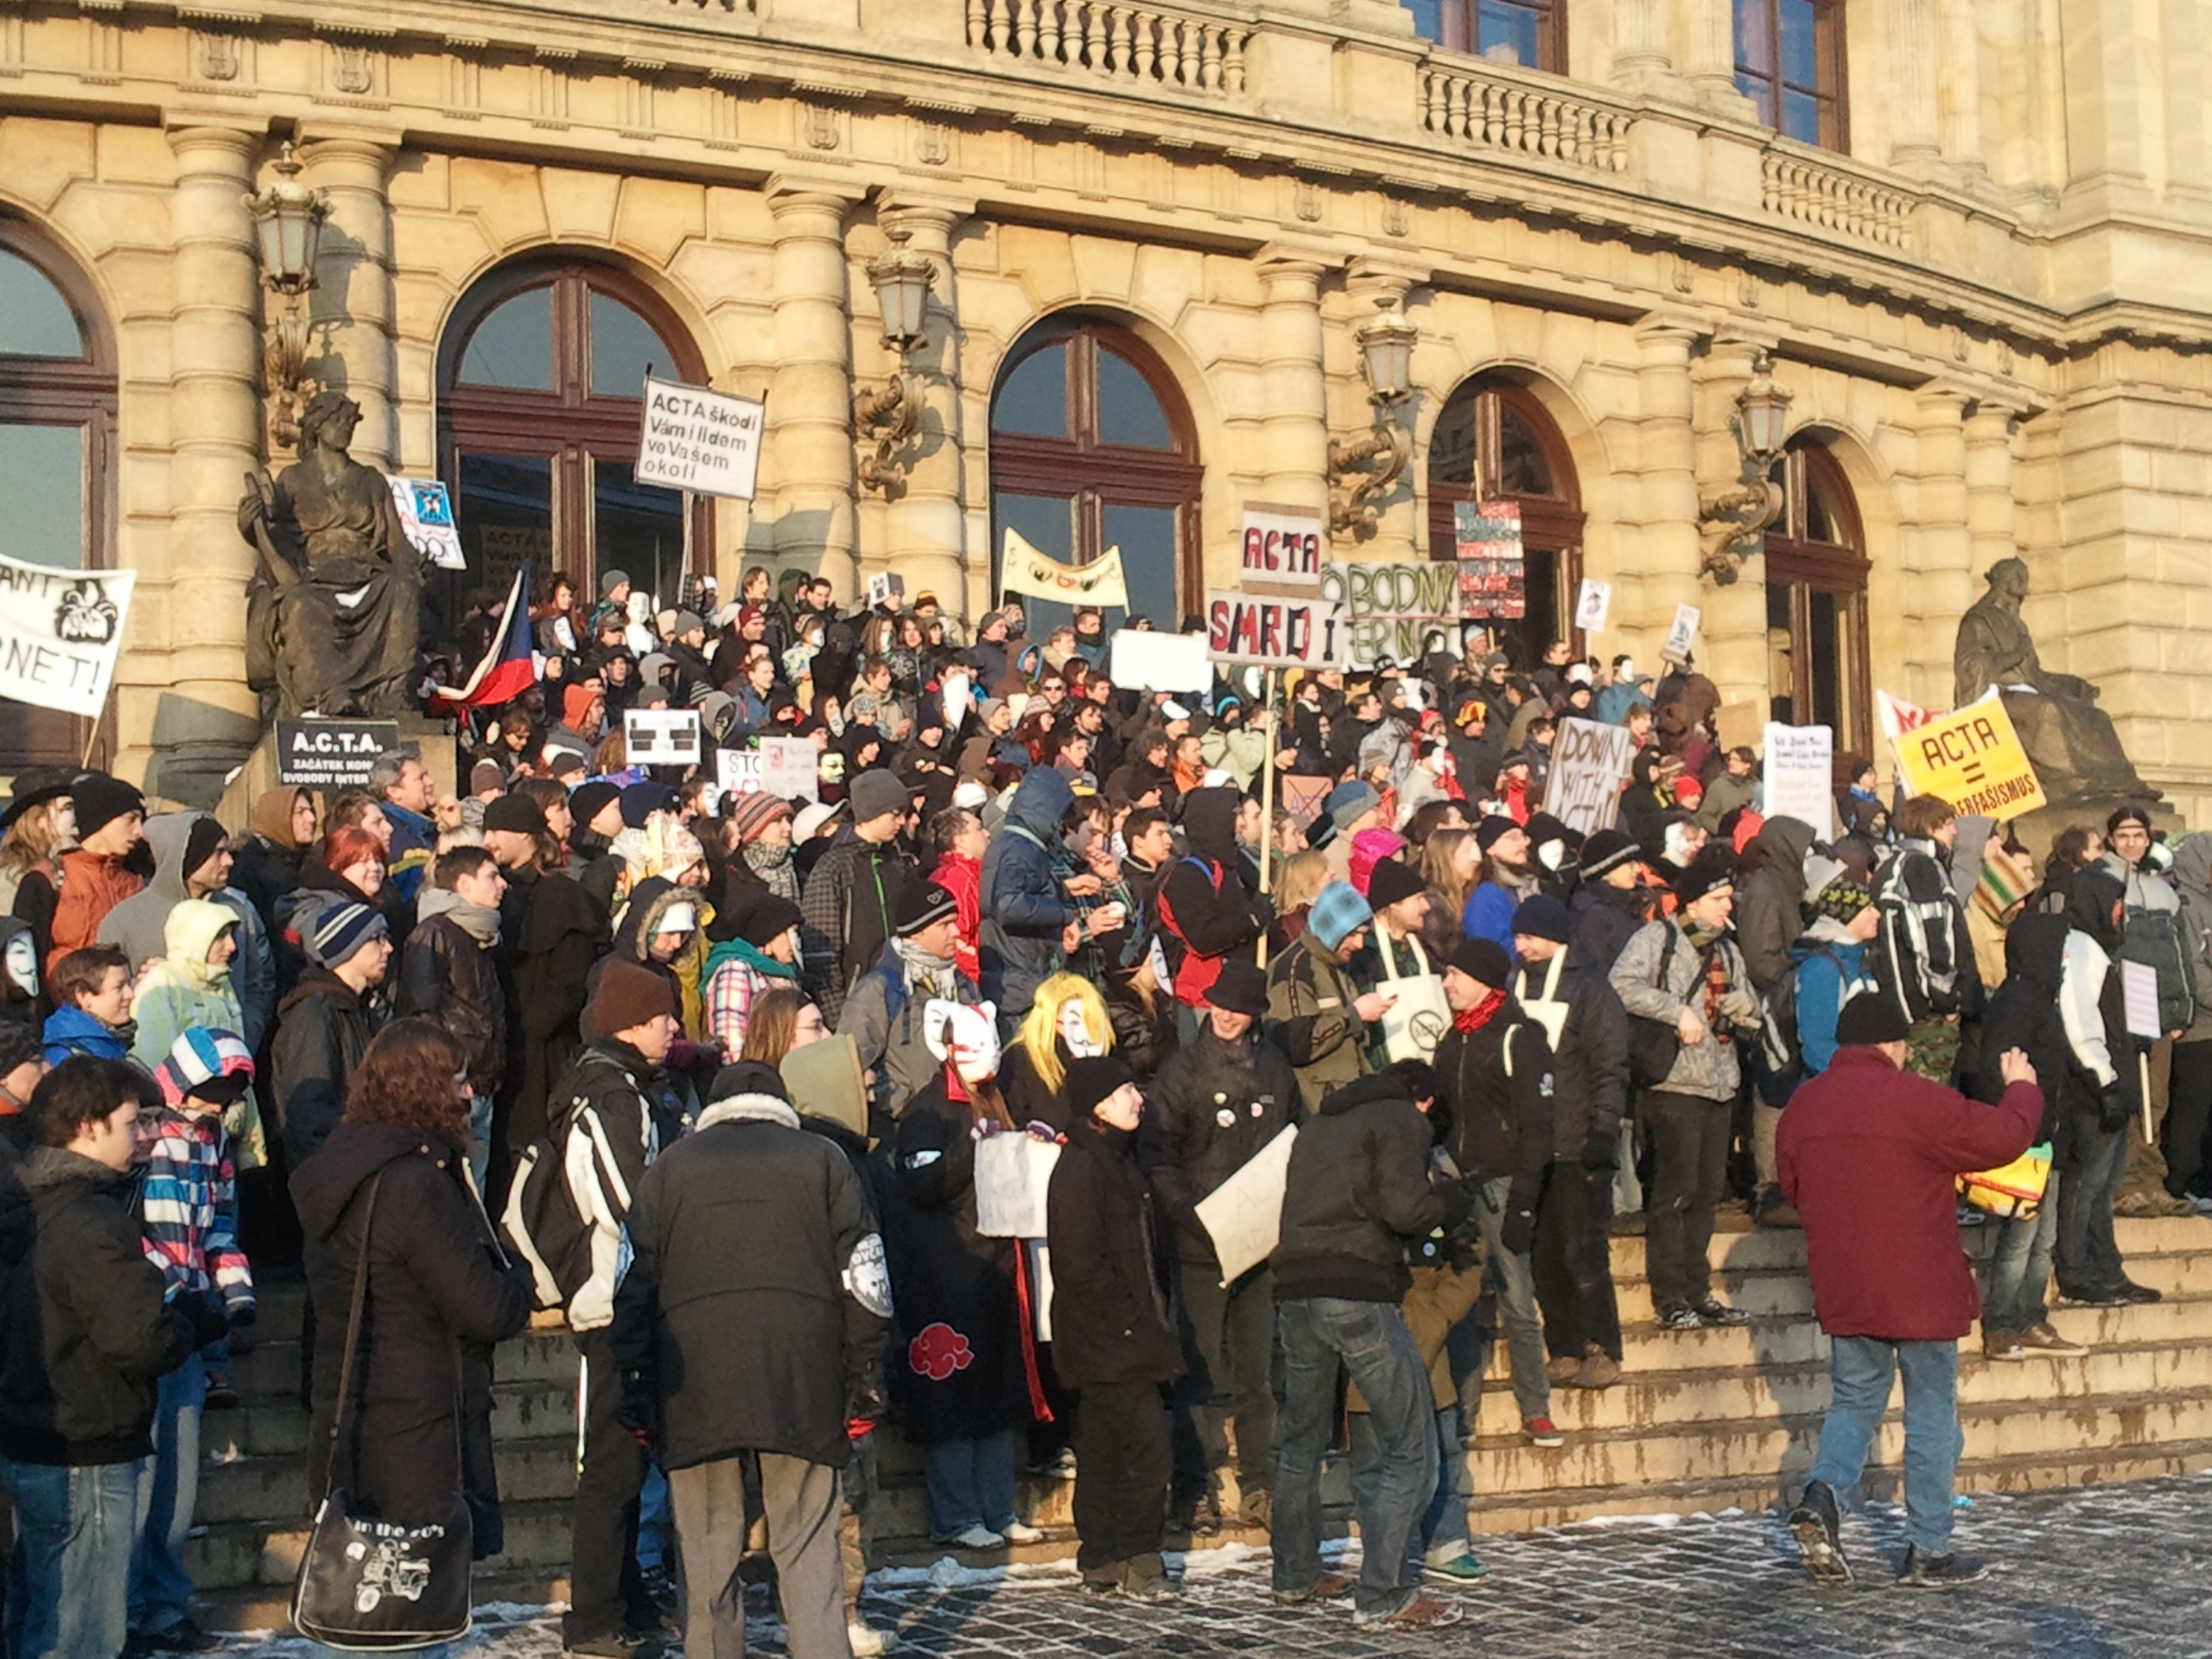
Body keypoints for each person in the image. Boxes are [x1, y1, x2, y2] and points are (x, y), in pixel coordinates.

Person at [609, 1058, 889, 1659]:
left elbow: (631, 1284)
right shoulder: (823, 1161)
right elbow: (867, 1279)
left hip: (695, 1381)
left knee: (707, 1554)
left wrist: (633, 1381)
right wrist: (866, 1373)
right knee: (808, 1542)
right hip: (803, 1371)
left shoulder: (669, 1169)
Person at [1782, 999, 2043, 1588]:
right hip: (1921, 1282)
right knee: (1930, 1413)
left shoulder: (1804, 1105)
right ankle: (1927, 1549)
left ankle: (1822, 1497)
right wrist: (2022, 1090)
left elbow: (1793, 1186)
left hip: (1846, 1282)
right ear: (1895, 1047)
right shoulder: (1916, 1099)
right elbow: (2002, 1139)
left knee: (1853, 1401)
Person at [289, 1021, 532, 1626]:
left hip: (350, 1417)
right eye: (456, 1079)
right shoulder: (414, 1186)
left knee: (369, 1623)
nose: (468, 1094)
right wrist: (520, 1277)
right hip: (419, 1432)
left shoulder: (339, 1173)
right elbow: (486, 1307)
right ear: (424, 1089)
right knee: (412, 1621)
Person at [0, 1058, 226, 1659]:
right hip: (87, 1444)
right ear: (87, 1126)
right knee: (80, 1633)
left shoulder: (30, 1201)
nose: (143, 1136)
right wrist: (189, 1323)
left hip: (34, 1434)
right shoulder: (90, 1220)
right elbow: (139, 1338)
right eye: (132, 1122)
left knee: (36, 1615)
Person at [1270, 1068, 1466, 1629]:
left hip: (1295, 1291)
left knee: (1300, 1443)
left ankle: (1294, 1575)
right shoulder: (1401, 1118)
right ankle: (1382, 1593)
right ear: (1423, 1101)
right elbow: (1407, 1212)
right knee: (1411, 1445)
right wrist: (1449, 1203)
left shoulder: (1316, 1124)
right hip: (1356, 1291)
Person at [875, 1000, 1045, 1550]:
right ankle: (956, 1513)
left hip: (997, 1265)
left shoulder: (996, 1100)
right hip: (946, 1275)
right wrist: (968, 1155)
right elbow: (920, 1186)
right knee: (951, 1395)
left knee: (997, 1389)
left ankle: (997, 1506)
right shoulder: (927, 1113)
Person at [1141, 957, 1299, 1535]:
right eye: (1219, 1004)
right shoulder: (1181, 1073)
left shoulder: (1276, 1069)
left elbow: (1291, 1138)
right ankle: (1192, 1484)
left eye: (1238, 1007)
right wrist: (1190, 1213)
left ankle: (1261, 1483)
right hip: (1200, 1245)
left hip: (1260, 1247)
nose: (1227, 1016)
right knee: (1196, 1372)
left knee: (1258, 1373)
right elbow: (1157, 1155)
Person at [132, 1029, 260, 1656]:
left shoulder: (214, 1142)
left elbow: (221, 1222)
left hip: (187, 1325)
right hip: (144, 1320)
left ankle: (162, 1606)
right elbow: (131, 1230)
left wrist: (233, 1290)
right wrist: (164, 1294)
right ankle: (127, 1608)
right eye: (213, 1093)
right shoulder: (144, 1135)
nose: (219, 1106)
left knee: (176, 1487)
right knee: (138, 1479)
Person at [1046, 1053, 1182, 1602]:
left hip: (1120, 1336)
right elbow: (1081, 1266)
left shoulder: (1121, 1160)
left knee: (1104, 1449)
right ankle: (1138, 1558)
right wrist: (1129, 1323)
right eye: (1126, 1091)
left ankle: (1103, 1557)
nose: (1138, 1099)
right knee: (1145, 1448)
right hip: (1107, 1340)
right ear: (1099, 1105)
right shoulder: (1080, 1168)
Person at [1609, 858, 1761, 1330]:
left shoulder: (1728, 949)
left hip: (1720, 1083)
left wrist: (1744, 1004)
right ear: (1693, 900)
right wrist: (1677, 1011)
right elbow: (1620, 985)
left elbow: (1751, 999)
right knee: (1673, 1191)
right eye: (1718, 899)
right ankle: (1670, 1294)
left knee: (1706, 1193)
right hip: (1673, 1082)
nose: (1726, 906)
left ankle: (1699, 1290)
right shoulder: (1658, 940)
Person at [1433, 938, 1560, 1446]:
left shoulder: (1520, 1037)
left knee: (1517, 1298)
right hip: (1456, 1181)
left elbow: (1539, 1124)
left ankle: (1536, 1406)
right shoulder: (1452, 1037)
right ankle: (1461, 1409)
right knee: (1460, 1299)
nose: (1446, 984)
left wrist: (1525, 1198)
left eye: (1455, 976)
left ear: (1483, 980)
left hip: (1504, 1182)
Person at [1512, 897, 1630, 1392]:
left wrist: (1603, 1129)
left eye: (1531, 937)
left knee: (1584, 1252)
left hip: (1579, 1142)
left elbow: (1609, 1065)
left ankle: (1602, 1346)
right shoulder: (1513, 987)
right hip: (1530, 1146)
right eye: (1518, 938)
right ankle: (1561, 1345)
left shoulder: (1590, 989)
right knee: (1542, 1255)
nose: (1523, 946)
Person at [1971, 913, 2087, 1358]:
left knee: (2044, 1241)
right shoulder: (2018, 999)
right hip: (2026, 1137)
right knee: (2020, 1238)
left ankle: (2032, 1316)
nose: (2062, 958)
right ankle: (2001, 1322)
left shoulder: (2042, 997)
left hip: (2049, 1136)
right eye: (2057, 947)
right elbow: (2000, 1068)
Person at [485, 791, 606, 1157]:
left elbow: (570, 979)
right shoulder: (493, 889)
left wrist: (530, 1029)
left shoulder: (561, 896)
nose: (487, 841)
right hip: (501, 1044)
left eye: (497, 831)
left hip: (545, 1051)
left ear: (525, 835)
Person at [99, 811, 276, 1054]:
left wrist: (244, 1035)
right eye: (217, 853)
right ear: (186, 858)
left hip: (233, 1066)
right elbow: (102, 997)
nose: (229, 862)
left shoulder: (239, 911)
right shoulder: (125, 921)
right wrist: (146, 988)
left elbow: (260, 981)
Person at [397, 845, 509, 1194]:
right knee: (450, 1192)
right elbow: (422, 1014)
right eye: (491, 876)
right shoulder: (435, 934)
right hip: (455, 1088)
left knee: (474, 1190)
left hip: (483, 1085)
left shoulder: (483, 935)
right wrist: (449, 1077)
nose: (502, 884)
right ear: (463, 883)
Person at [839, 881, 979, 1136]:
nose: (956, 932)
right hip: (903, 1129)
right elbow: (851, 1064)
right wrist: (900, 1102)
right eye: (944, 925)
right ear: (916, 933)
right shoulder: (879, 989)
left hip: (964, 1123)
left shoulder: (963, 984)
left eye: (955, 921)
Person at [270, 901, 392, 1172]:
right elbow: (309, 1116)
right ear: (348, 948)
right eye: (377, 939)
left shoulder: (366, 1008)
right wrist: (333, 1184)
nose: (388, 949)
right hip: (336, 1175)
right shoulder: (315, 1015)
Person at [1873, 793, 1978, 1084]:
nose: (1954, 831)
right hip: (1925, 1014)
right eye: (1947, 824)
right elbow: (1930, 940)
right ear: (1929, 828)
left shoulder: (1893, 865)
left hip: (1904, 1007)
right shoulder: (1920, 868)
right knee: (1932, 1103)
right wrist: (1946, 1000)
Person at [800, 768, 915, 1029]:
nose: (901, 822)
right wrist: (839, 1020)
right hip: (856, 1008)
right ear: (871, 812)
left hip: (900, 1003)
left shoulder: (897, 863)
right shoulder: (834, 867)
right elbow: (821, 954)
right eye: (895, 814)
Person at [1266, 881, 1388, 1114]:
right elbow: (1295, 1045)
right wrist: (1355, 1015)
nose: (1359, 944)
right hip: (1317, 1108)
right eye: (1352, 934)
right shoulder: (1293, 970)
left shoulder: (1339, 965)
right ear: (1332, 928)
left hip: (1353, 1097)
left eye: (1363, 935)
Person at [41, 772, 146, 980]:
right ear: (101, 819)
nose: (139, 831)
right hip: (64, 1005)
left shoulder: (137, 881)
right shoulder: (49, 877)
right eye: (131, 819)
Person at [702, 893, 805, 1060]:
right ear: (768, 934)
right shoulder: (735, 969)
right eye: (793, 933)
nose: (798, 942)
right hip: (756, 1078)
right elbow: (730, 1041)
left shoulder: (785, 974)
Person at [41, 944, 135, 1065]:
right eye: (119, 987)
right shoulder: (67, 1059)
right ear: (83, 995)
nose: (130, 994)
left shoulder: (118, 1041)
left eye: (129, 984)